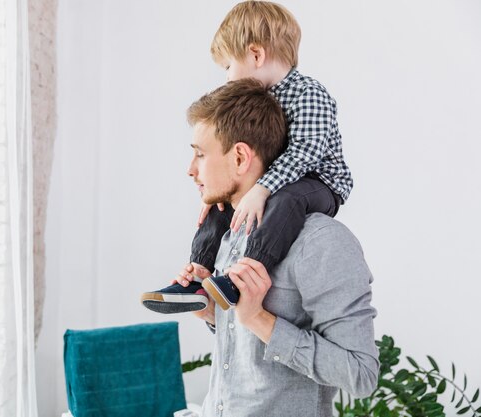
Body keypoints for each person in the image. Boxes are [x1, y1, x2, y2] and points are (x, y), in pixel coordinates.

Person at [180, 78, 379, 416]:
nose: (191, 170)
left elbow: (361, 375)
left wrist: (259, 318)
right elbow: (247, 354)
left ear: (240, 157)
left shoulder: (322, 241)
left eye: (200, 154)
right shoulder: (231, 233)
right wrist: (213, 315)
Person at [141, 1, 352, 313]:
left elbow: (305, 153)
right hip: (279, 180)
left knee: (289, 198)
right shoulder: (261, 100)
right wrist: (218, 188)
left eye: (228, 66)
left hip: (320, 182)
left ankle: (246, 273)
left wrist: (262, 188)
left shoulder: (308, 93)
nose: (227, 77)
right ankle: (198, 276)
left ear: (256, 55)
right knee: (222, 201)